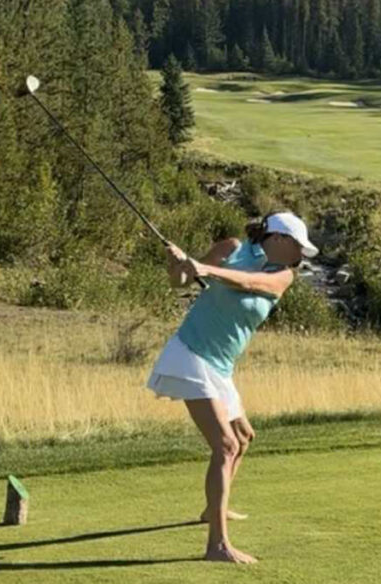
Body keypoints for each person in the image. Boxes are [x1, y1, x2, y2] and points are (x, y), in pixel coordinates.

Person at [146, 211, 318, 564]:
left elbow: (248, 284)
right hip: (190, 353)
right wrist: (179, 263)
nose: (302, 257)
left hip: (220, 368)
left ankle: (214, 510)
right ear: (279, 240)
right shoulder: (231, 248)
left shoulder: (283, 276)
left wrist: (207, 270)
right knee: (224, 446)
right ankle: (217, 545)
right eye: (298, 247)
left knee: (243, 437)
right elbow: (180, 281)